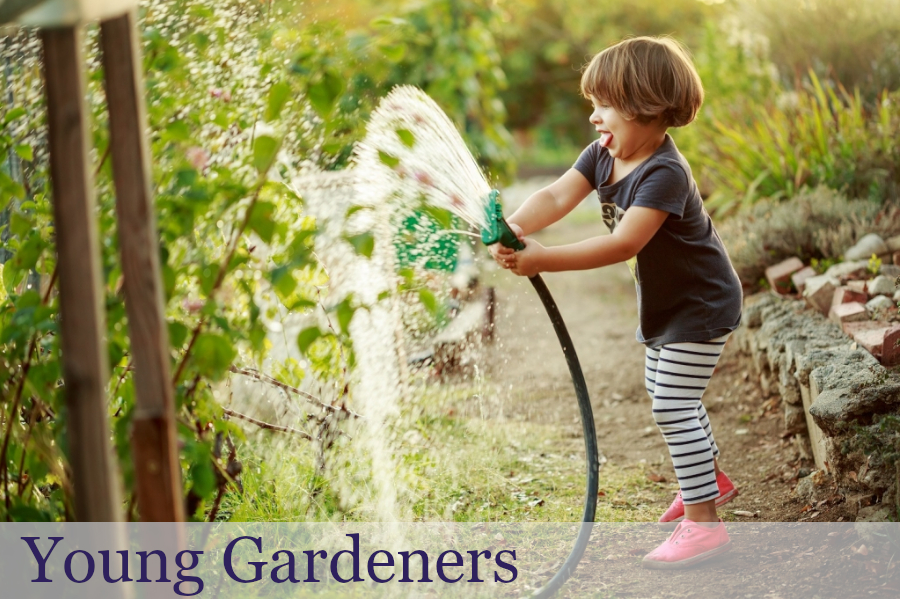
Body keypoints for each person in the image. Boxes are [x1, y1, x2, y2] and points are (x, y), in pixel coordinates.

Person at [490, 36, 743, 569]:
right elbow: (557, 196)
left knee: (672, 402)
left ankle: (704, 524)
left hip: (700, 304)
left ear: (644, 106)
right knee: (666, 391)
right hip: (668, 304)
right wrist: (516, 226)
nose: (593, 118)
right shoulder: (604, 155)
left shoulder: (663, 173)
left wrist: (544, 259)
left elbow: (622, 243)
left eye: (603, 105)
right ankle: (708, 478)